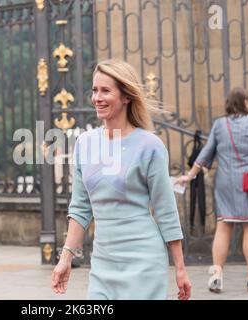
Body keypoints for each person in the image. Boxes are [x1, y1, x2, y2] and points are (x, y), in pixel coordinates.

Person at [51, 59, 192, 300]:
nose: (97, 97)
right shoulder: (85, 144)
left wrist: (180, 268)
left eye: (106, 90)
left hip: (144, 263)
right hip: (103, 264)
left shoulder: (150, 146)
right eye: (95, 90)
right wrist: (66, 258)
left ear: (126, 96)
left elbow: (165, 210)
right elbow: (80, 209)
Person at [175, 87, 248, 293]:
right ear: (244, 102)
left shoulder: (220, 125)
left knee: (223, 226)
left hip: (225, 181)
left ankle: (217, 274)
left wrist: (189, 175)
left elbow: (206, 153)